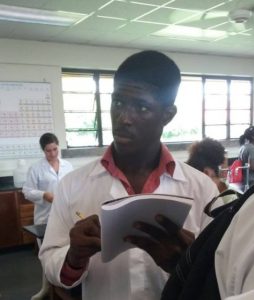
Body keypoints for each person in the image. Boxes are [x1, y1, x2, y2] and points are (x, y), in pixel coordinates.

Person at [39, 50, 219, 300]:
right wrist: (73, 256)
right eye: (118, 102)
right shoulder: (73, 185)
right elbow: (49, 259)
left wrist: (186, 264)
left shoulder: (202, 189)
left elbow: (222, 272)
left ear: (168, 114)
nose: (123, 118)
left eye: (142, 107)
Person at [23, 132, 73, 300]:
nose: (52, 153)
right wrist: (44, 195)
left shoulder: (67, 165)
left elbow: (72, 187)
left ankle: (64, 286)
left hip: (65, 216)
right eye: (48, 151)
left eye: (54, 149)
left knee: (65, 252)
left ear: (58, 146)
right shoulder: (36, 168)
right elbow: (27, 191)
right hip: (45, 218)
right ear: (43, 151)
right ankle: (45, 288)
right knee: (46, 255)